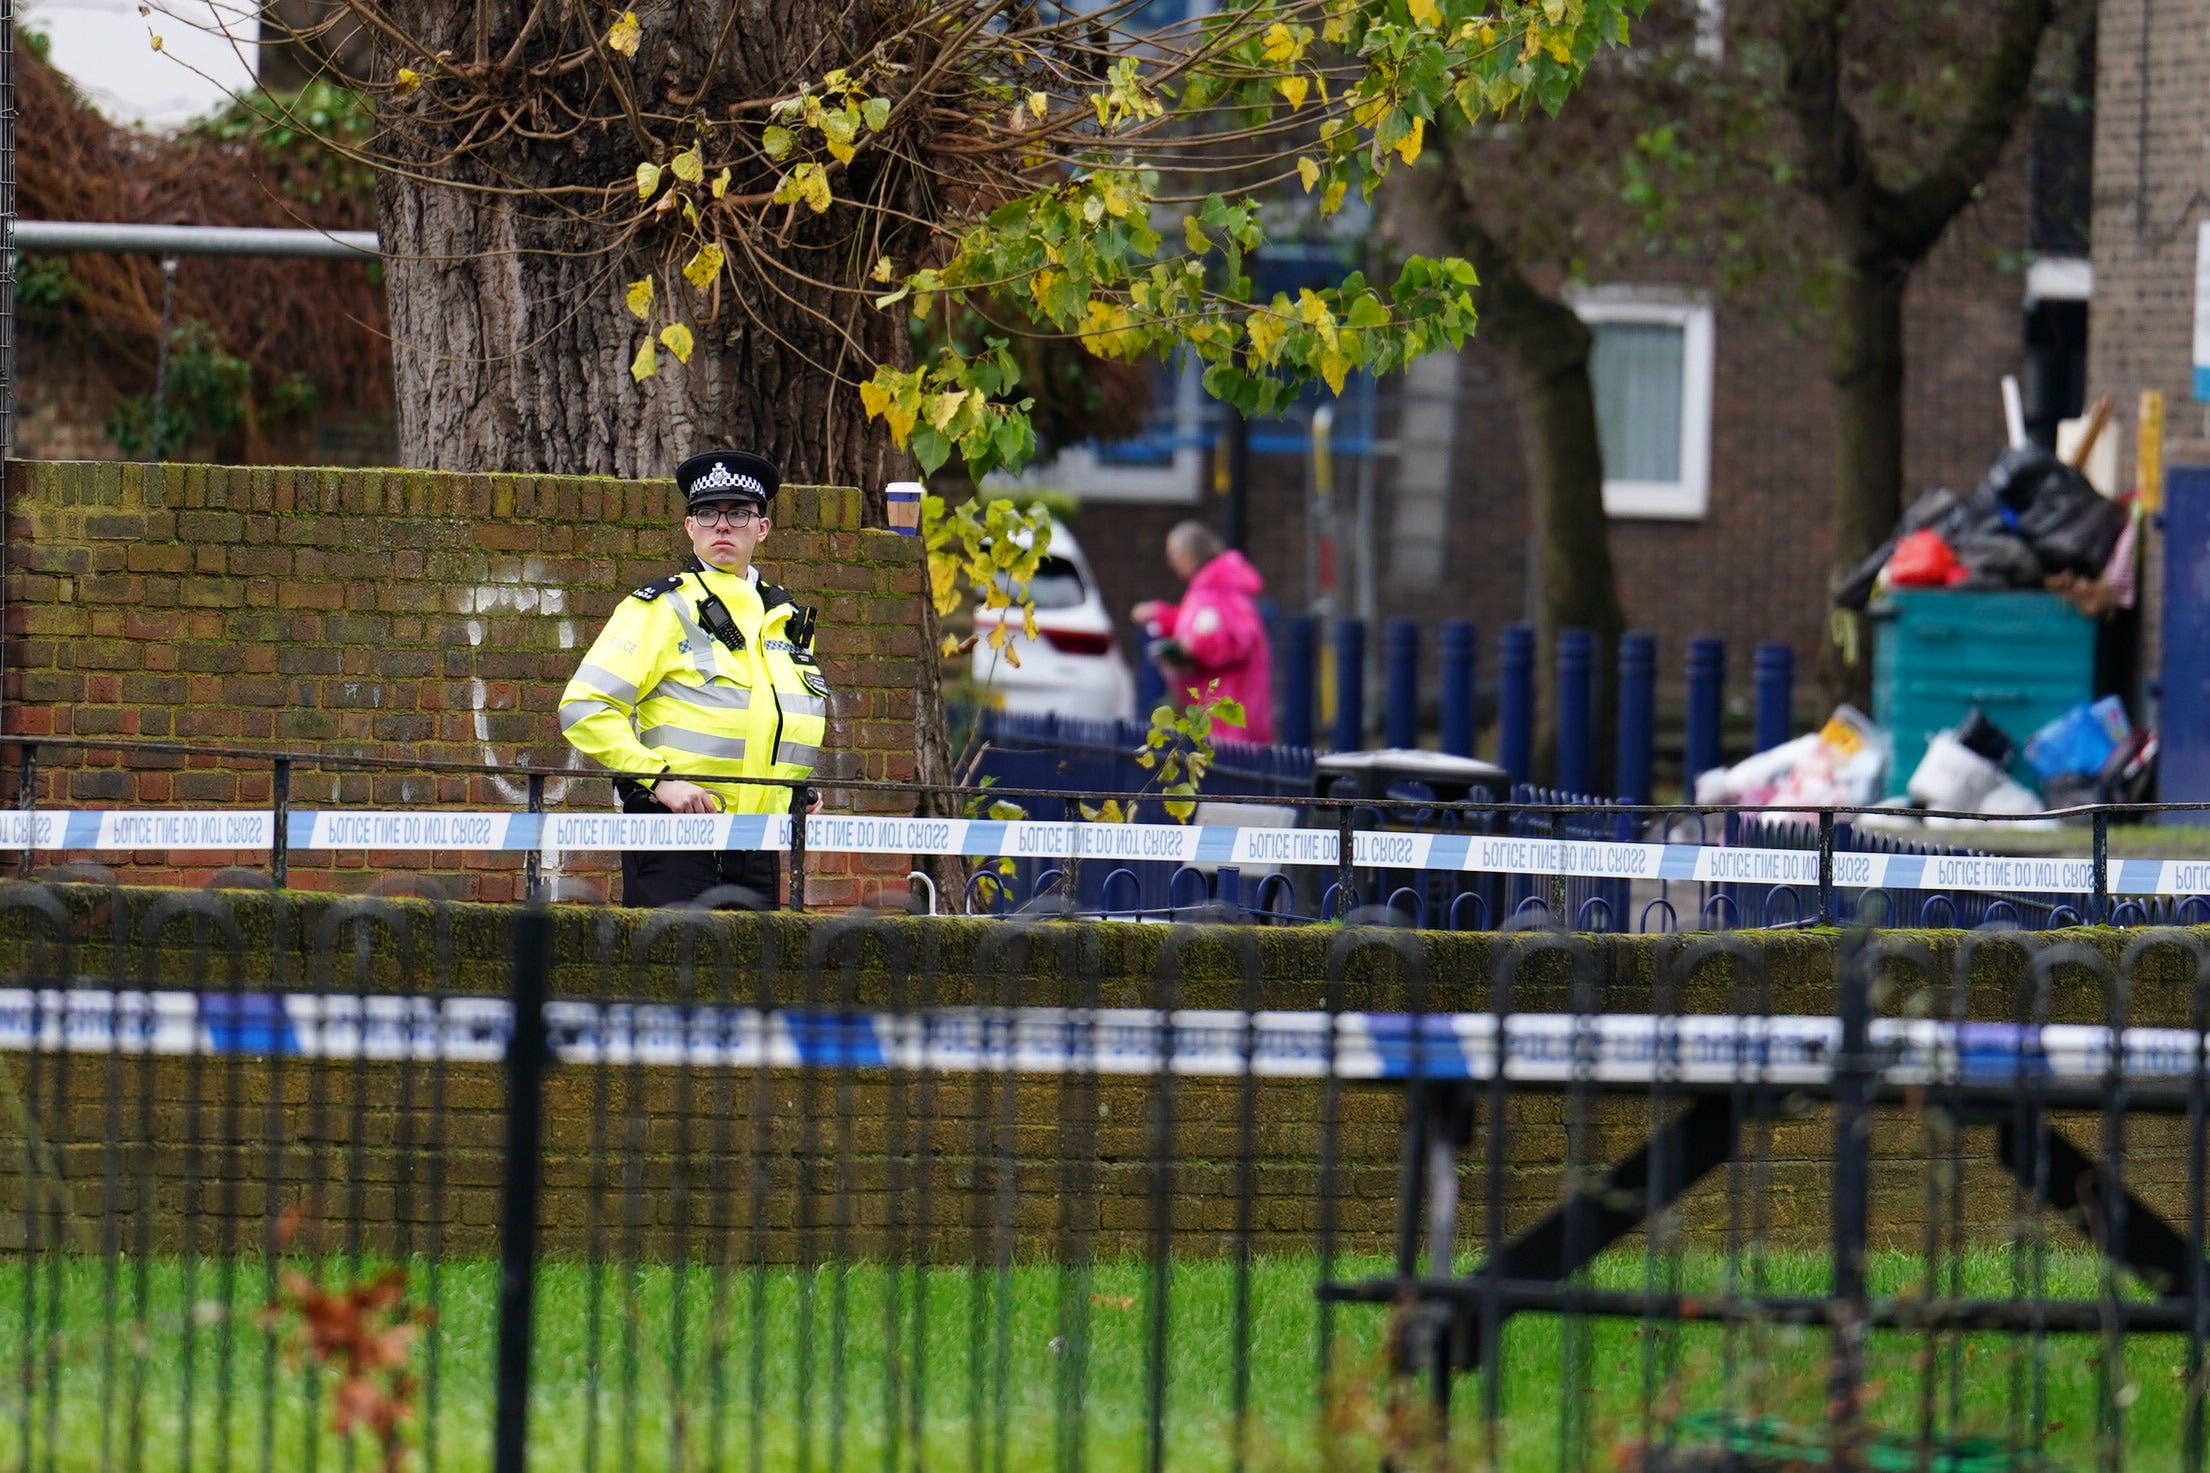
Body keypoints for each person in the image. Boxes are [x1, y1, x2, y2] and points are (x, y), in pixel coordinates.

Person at [560, 448, 829, 907]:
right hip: (674, 838)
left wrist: (796, 790)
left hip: (755, 843)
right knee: (668, 974)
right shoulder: (663, 607)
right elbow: (584, 707)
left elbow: (772, 720)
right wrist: (661, 780)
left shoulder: (785, 618)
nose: (722, 525)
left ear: (762, 529)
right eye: (707, 513)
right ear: (690, 529)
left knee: (748, 975)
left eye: (739, 513)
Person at [1131, 521, 1276, 744]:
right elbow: (1196, 624)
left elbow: (1234, 638)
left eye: (1174, 554)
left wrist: (1193, 647)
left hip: (1228, 724)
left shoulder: (1221, 588)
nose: (1171, 563)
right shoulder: (1212, 586)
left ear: (1189, 554)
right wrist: (1160, 615)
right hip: (1219, 719)